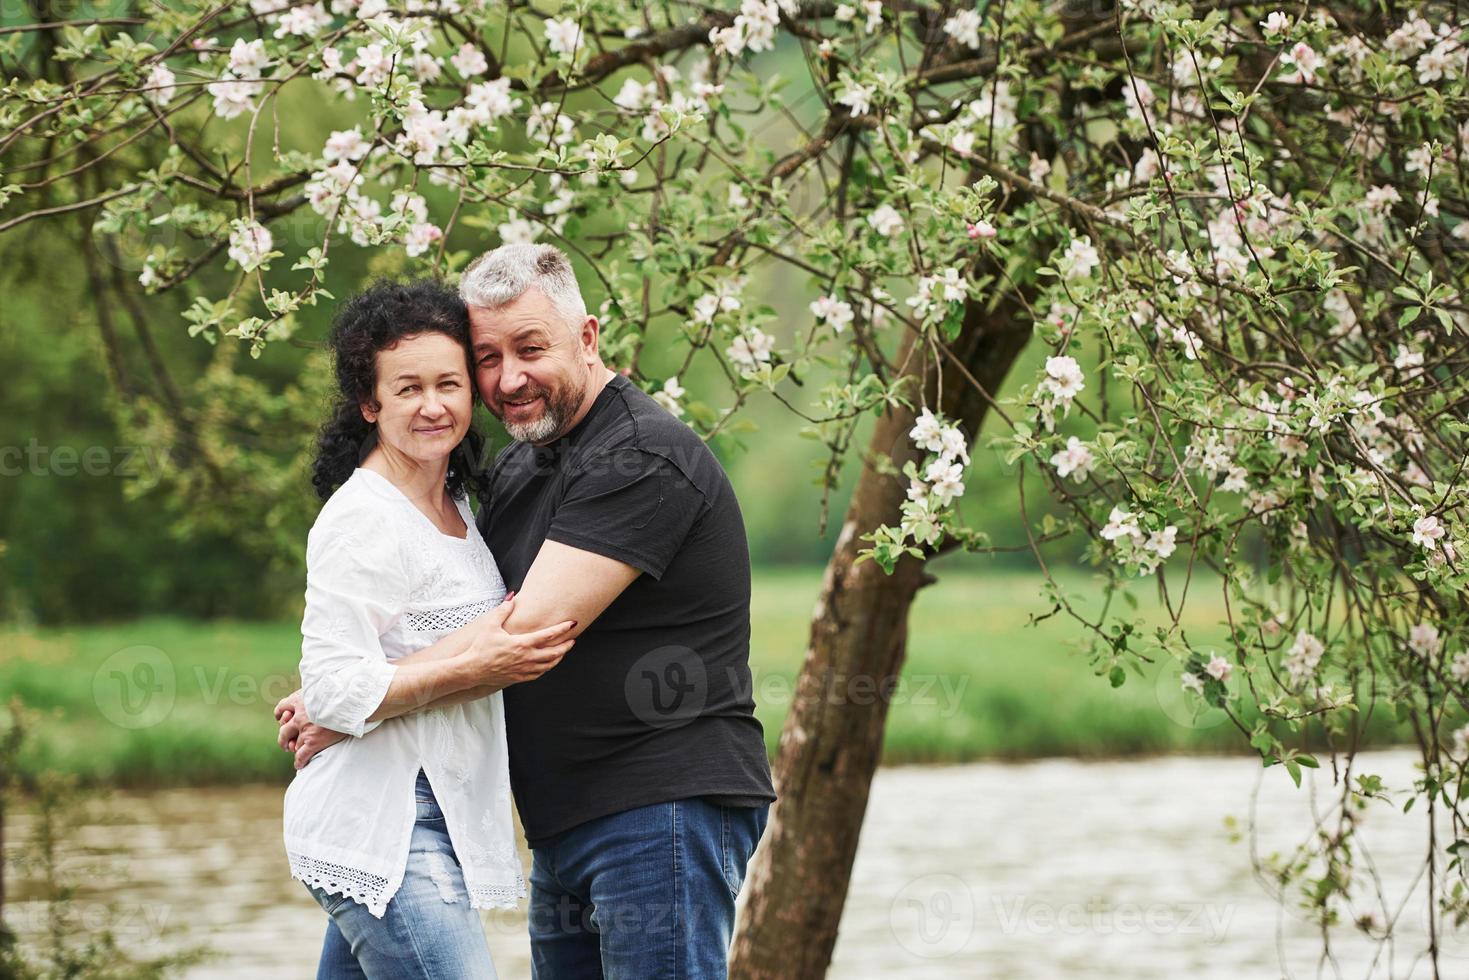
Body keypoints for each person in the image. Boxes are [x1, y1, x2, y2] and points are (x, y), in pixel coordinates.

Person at [279, 244, 777, 978]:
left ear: (588, 337)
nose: (509, 378)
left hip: (659, 802)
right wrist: (355, 684)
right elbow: (464, 617)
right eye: (487, 356)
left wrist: (355, 697)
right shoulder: (519, 462)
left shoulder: (637, 457)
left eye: (531, 348)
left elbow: (524, 633)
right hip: (562, 816)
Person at [281, 278, 577, 980]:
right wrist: (475, 671)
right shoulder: (362, 521)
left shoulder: (458, 506)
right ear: (368, 402)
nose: (433, 405)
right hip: (383, 826)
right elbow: (333, 685)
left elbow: (425, 647)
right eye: (407, 388)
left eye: (448, 383)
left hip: (437, 811)